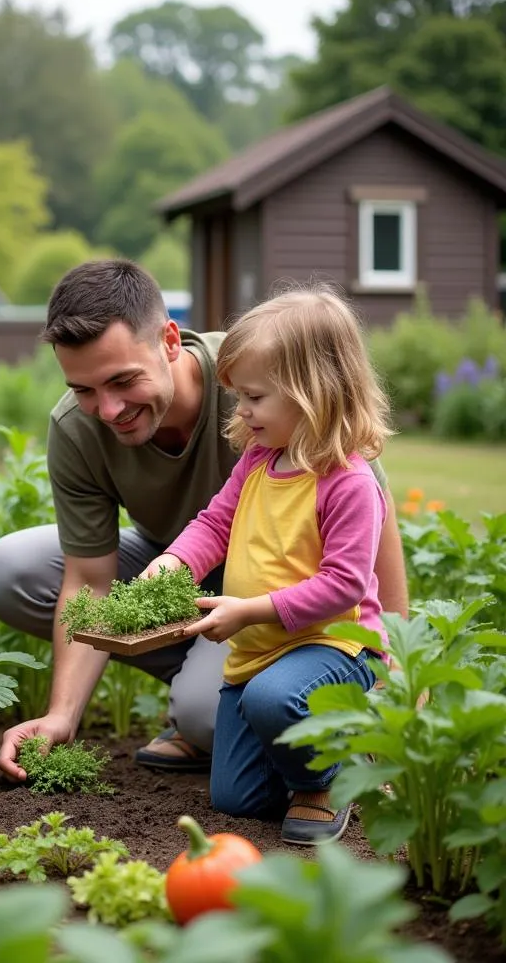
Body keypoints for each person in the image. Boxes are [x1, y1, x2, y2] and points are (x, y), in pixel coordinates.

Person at [0, 261, 407, 781]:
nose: (108, 408)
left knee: (206, 718)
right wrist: (61, 715)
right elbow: (91, 580)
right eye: (84, 389)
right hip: (182, 570)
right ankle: (207, 686)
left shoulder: (264, 371)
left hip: (289, 593)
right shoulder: (76, 428)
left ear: (168, 340)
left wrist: (394, 658)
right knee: (10, 568)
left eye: (122, 380)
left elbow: (373, 523)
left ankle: (248, 707)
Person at [138, 284, 391, 843]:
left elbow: (344, 586)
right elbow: (216, 523)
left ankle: (327, 779)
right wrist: (175, 562)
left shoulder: (348, 482)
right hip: (260, 655)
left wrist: (250, 610)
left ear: (313, 394)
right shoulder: (259, 460)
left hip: (333, 649)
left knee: (273, 699)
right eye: (239, 396)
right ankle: (327, 748)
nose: (241, 410)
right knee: (237, 799)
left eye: (254, 396)